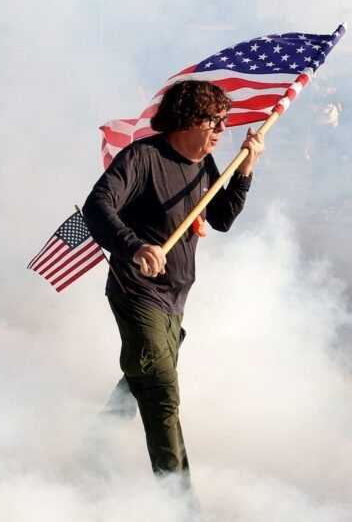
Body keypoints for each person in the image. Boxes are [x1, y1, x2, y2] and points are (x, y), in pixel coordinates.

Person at [82, 80, 264, 485]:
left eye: (225, 123)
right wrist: (135, 246)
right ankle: (180, 512)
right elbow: (97, 207)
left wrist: (245, 168)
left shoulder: (202, 163)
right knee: (163, 396)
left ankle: (99, 439)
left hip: (175, 297)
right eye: (214, 122)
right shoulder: (143, 157)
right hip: (135, 291)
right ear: (186, 120)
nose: (221, 131)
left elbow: (222, 217)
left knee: (146, 376)